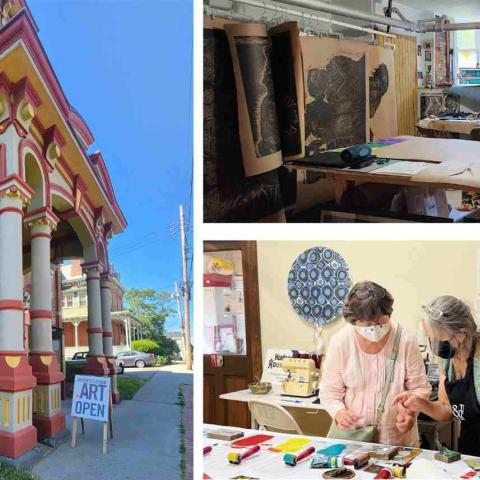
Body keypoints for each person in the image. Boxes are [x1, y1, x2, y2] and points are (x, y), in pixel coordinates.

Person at [320, 281, 431, 447]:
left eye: (380, 322)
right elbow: (329, 390)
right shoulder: (341, 342)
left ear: (389, 314)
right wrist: (339, 412)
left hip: (397, 439)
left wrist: (410, 413)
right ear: (354, 320)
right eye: (367, 323)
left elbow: (420, 388)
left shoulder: (405, 340)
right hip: (354, 437)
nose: (374, 328)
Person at [393, 295, 480, 455]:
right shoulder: (448, 360)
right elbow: (447, 409)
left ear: (460, 335)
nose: (435, 346)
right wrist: (421, 404)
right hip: (470, 448)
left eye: (438, 339)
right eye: (430, 339)